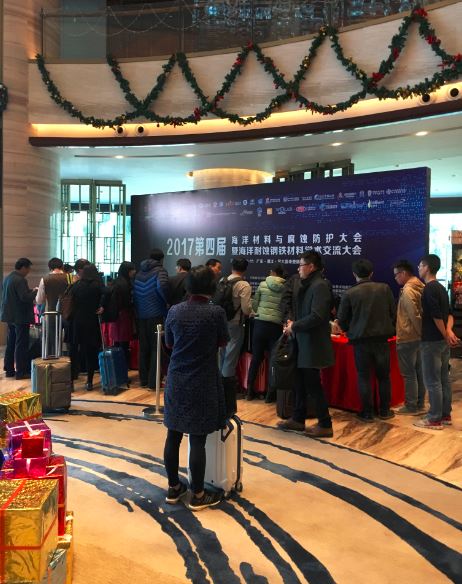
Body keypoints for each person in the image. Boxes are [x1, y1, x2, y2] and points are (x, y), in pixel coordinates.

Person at [163, 265, 229, 511]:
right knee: (198, 439)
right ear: (211, 286)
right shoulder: (216, 313)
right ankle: (198, 494)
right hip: (203, 379)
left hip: (177, 378)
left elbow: (169, 343)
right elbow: (223, 341)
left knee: (173, 435)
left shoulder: (175, 311)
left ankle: (173, 487)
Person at [277, 252, 335, 437]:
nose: (298, 268)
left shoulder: (320, 285)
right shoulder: (305, 283)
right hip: (302, 341)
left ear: (311, 266)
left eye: (301, 265)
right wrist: (290, 321)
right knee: (300, 382)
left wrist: (295, 326)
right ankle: (298, 418)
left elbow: (317, 316)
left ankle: (325, 424)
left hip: (312, 343)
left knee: (312, 384)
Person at [336, 258, 396, 422]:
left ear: (354, 274)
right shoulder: (384, 288)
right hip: (382, 339)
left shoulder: (349, 293)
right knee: (384, 377)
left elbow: (342, 320)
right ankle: (385, 411)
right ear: (371, 273)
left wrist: (349, 329)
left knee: (364, 376)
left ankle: (367, 413)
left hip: (360, 341)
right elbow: (393, 313)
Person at [414, 254, 458, 430]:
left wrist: (445, 333)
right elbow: (449, 314)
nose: (419, 268)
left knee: (432, 381)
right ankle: (445, 415)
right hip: (441, 341)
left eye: (420, 265)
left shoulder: (429, 289)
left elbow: (436, 316)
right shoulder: (440, 288)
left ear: (427, 267)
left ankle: (434, 419)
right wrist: (448, 332)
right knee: (443, 379)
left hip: (432, 341)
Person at [246, 263, 286, 401]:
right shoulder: (285, 287)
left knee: (256, 358)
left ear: (271, 272)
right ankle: (270, 394)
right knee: (273, 360)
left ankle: (249, 391)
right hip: (276, 326)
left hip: (260, 324)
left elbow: (255, 304)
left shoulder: (263, 285)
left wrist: (259, 312)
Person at [392, 259, 426, 415]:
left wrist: (419, 332)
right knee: (419, 372)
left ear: (404, 273)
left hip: (407, 336)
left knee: (409, 373)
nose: (395, 278)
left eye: (396, 275)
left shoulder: (407, 291)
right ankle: (419, 403)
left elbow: (414, 315)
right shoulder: (420, 287)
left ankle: (411, 406)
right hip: (417, 338)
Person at [133, 248, 170, 388]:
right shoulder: (160, 271)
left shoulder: (139, 273)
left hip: (141, 314)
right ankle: (153, 382)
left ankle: (143, 379)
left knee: (143, 347)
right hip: (156, 313)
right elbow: (162, 287)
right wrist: (167, 302)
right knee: (156, 348)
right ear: (161, 259)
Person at [219, 257, 253, 407]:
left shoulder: (223, 280)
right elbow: (246, 309)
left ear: (232, 266)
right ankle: (226, 390)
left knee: (222, 353)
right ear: (245, 269)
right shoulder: (244, 285)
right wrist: (252, 312)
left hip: (221, 321)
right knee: (231, 356)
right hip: (235, 323)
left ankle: (219, 385)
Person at [1, 258, 37, 380]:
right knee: (21, 344)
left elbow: (16, 295)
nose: (28, 271)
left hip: (10, 316)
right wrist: (35, 292)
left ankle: (9, 369)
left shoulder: (8, 278)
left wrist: (30, 291)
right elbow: (24, 297)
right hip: (20, 317)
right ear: (23, 267)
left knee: (11, 343)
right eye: (28, 269)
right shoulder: (20, 280)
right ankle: (21, 371)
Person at [69, 263, 103, 390]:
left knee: (74, 351)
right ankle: (89, 381)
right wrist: (102, 306)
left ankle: (71, 382)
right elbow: (107, 292)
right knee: (90, 352)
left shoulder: (76, 285)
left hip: (76, 321)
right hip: (91, 322)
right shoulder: (97, 285)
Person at [108, 261, 136, 365]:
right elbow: (126, 301)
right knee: (124, 343)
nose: (134, 272)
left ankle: (117, 367)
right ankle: (123, 366)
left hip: (116, 316)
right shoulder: (125, 284)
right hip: (124, 315)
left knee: (117, 342)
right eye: (132, 270)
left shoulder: (116, 282)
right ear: (127, 271)